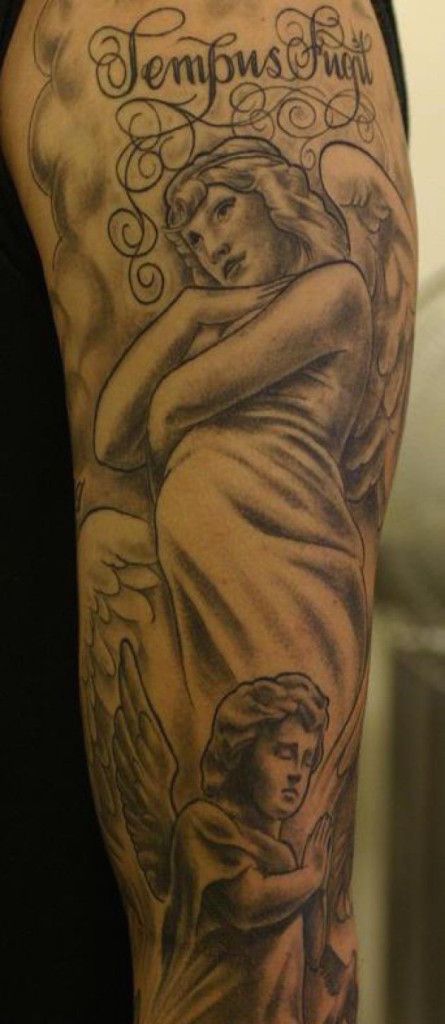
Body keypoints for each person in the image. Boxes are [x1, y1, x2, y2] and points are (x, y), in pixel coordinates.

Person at [0, 2, 416, 1022]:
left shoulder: (330, 288)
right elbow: (119, 436)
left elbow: (169, 407)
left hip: (280, 562)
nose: (204, 243)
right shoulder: (218, 306)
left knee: (263, 845)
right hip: (210, 578)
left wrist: (196, 336)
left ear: (270, 193)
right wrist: (192, 308)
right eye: (187, 234)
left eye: (218, 213)